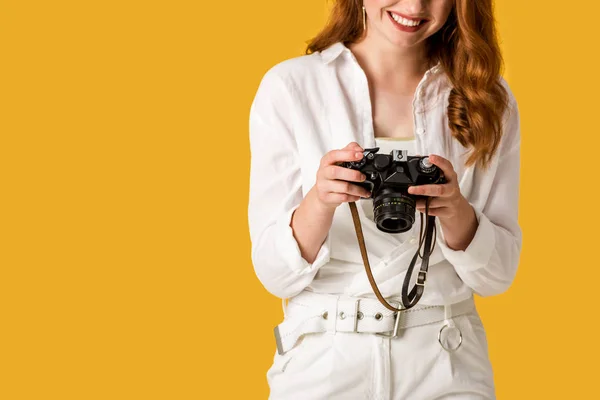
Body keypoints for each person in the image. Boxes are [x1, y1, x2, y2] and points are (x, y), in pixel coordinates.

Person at [247, 0, 521, 398]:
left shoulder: (486, 98)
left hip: (447, 362)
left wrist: (455, 211)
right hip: (323, 363)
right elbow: (275, 274)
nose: (414, 6)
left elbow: (497, 276)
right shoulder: (292, 87)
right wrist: (321, 201)